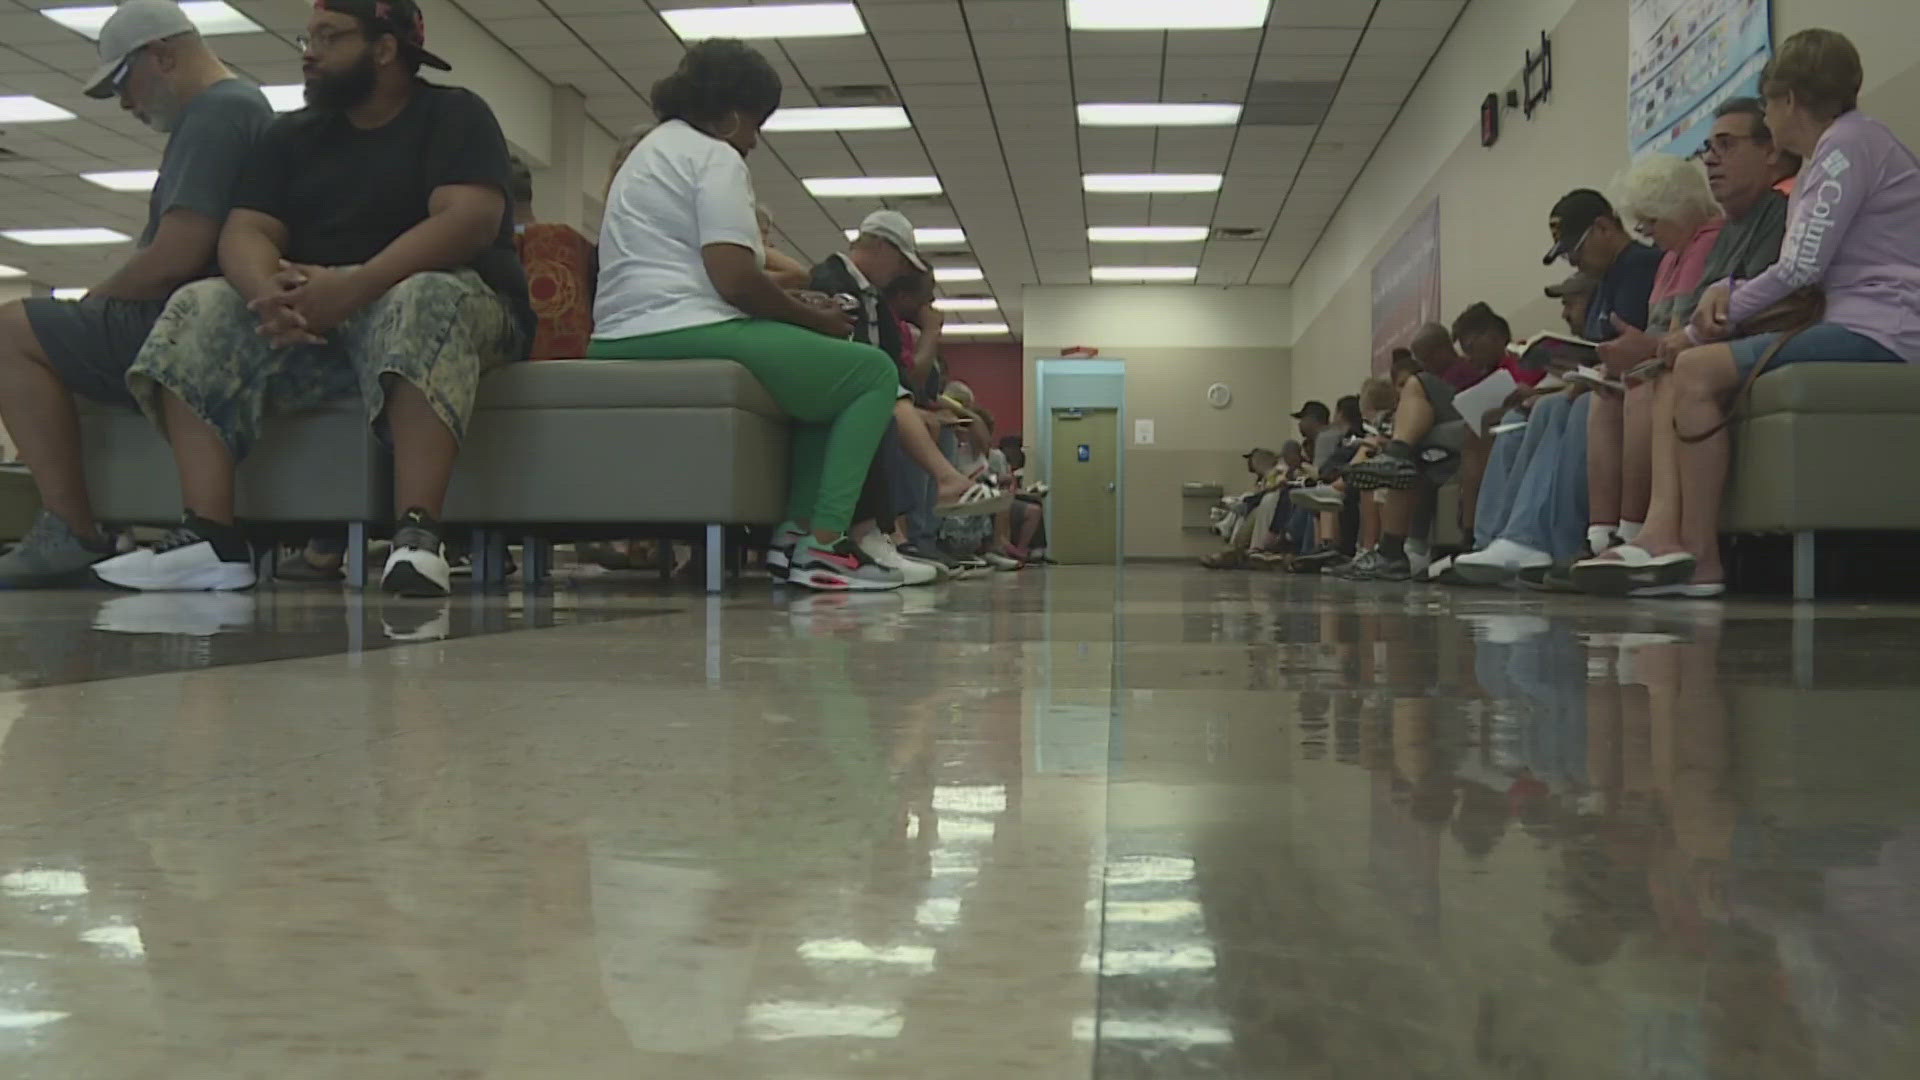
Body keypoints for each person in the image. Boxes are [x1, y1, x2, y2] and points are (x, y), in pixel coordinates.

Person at [93, 0, 531, 598]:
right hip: (318, 313)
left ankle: (419, 537)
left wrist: (355, 286)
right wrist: (265, 292)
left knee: (423, 295)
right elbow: (245, 230)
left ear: (384, 48)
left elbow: (469, 221)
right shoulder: (291, 135)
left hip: (457, 305)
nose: (309, 52)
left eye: (330, 37)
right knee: (199, 305)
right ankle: (211, 539)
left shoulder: (454, 114)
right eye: (310, 36)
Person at [1575, 28, 1920, 598]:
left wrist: (1700, 324)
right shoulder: (1836, 153)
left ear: (1786, 101)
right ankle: (1679, 544)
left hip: (1886, 328)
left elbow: (1801, 267)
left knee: (1695, 367)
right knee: (1687, 367)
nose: (1768, 116)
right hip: (1861, 322)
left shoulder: (1847, 148)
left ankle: (1695, 554)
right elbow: (1799, 265)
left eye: (1767, 105)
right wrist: (1724, 299)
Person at [588, 40, 906, 591]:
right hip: (680, 330)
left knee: (820, 392)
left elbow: (700, 272)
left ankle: (794, 537)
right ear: (734, 114)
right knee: (871, 372)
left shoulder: (651, 150)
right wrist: (815, 320)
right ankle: (826, 547)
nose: (755, 140)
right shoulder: (715, 156)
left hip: (620, 332)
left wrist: (797, 310)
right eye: (757, 124)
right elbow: (733, 279)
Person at [0, 0, 272, 587]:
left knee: (9, 329)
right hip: (209, 315)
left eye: (124, 83)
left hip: (181, 319)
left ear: (163, 56)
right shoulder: (243, 106)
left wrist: (94, 300)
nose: (126, 103)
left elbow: (175, 255)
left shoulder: (217, 112)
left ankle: (70, 530)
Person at [1585, 110, 1794, 559]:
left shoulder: (1780, 213)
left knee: (1665, 375)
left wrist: (1668, 345)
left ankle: (1650, 533)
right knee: (1615, 390)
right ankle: (1608, 535)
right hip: (1711, 347)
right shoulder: (1727, 234)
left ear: (1769, 151)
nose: (1712, 160)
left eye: (1727, 145)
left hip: (1757, 344)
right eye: (1708, 149)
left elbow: (1758, 311)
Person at [1450, 191, 1662, 584]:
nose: (1573, 260)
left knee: (1572, 407)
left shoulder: (1638, 267)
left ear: (1604, 226)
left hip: (1633, 384)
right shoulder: (1609, 280)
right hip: (1605, 382)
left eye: (1574, 250)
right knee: (1540, 410)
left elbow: (1629, 346)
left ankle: (1546, 541)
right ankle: (1502, 539)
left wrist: (1583, 375)